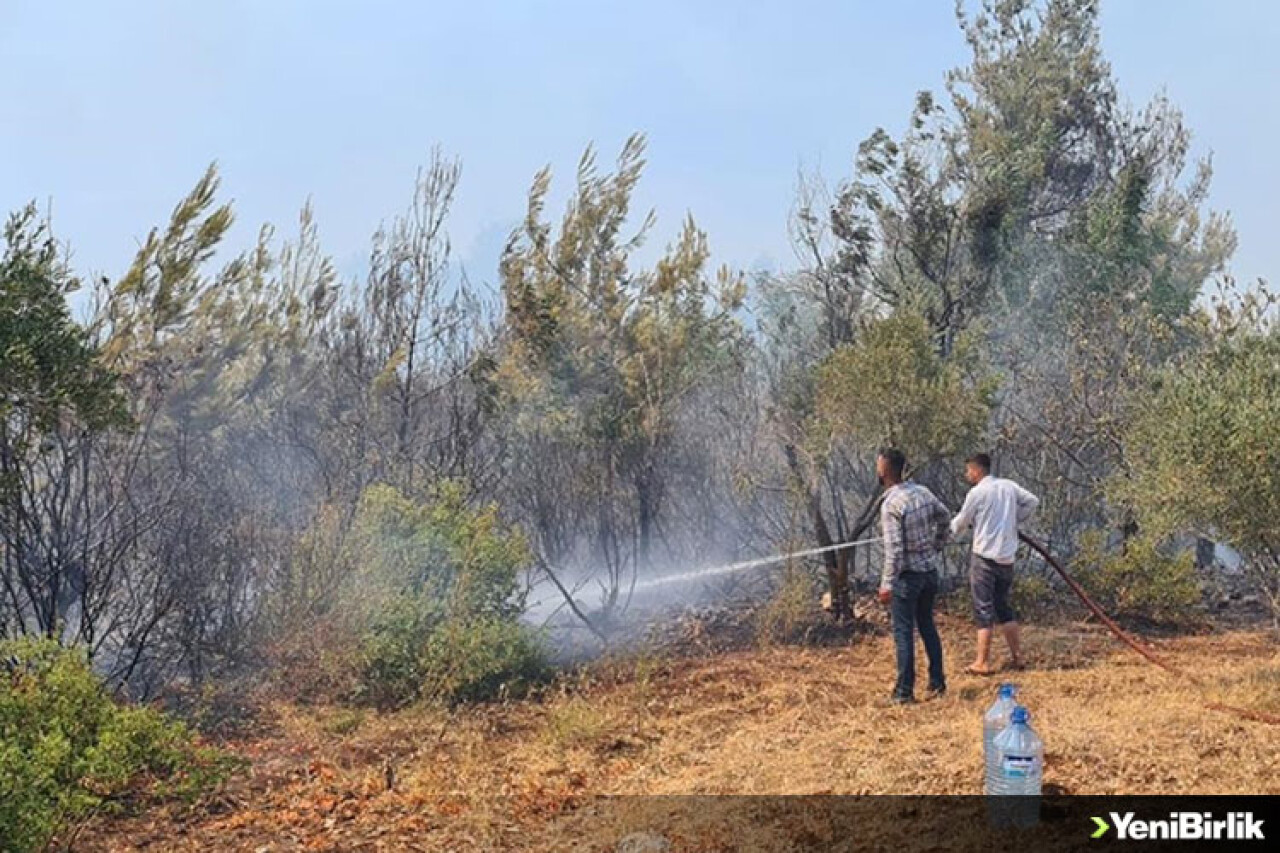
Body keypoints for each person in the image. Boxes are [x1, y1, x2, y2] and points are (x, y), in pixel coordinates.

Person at [949, 453, 1039, 675]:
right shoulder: (1009, 486)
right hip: (1006, 558)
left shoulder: (977, 493)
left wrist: (945, 531)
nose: (966, 474)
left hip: (985, 559)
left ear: (977, 470)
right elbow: (1033, 502)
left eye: (968, 470)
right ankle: (1018, 657)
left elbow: (961, 522)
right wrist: (1014, 519)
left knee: (983, 609)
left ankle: (982, 662)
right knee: (1003, 606)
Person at [876, 448, 950, 704]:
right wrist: (936, 546)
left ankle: (903, 693)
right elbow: (945, 518)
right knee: (927, 626)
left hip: (908, 579)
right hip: (929, 573)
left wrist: (886, 584)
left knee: (904, 633)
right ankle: (937, 682)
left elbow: (895, 551)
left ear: (885, 471)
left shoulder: (891, 505)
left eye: (879, 466)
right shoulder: (923, 492)